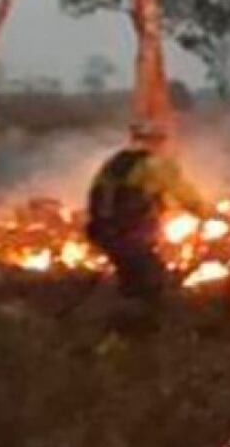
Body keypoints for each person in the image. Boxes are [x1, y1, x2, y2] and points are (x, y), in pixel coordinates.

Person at [86, 122, 214, 308]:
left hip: (104, 232)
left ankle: (124, 317)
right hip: (131, 233)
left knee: (129, 278)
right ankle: (143, 319)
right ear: (157, 141)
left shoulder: (115, 163)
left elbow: (98, 195)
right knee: (149, 280)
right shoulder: (156, 164)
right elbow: (183, 193)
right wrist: (205, 213)